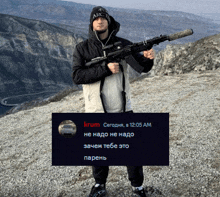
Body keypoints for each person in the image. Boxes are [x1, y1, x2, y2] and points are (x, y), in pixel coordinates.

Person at [71, 6, 155, 197]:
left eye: (103, 18)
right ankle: (99, 185)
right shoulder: (82, 48)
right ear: (91, 23)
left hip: (122, 107)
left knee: (132, 151)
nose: (99, 21)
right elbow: (77, 76)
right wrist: (106, 69)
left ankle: (137, 187)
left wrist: (148, 59)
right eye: (96, 18)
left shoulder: (123, 45)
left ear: (109, 21)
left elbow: (141, 67)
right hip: (96, 109)